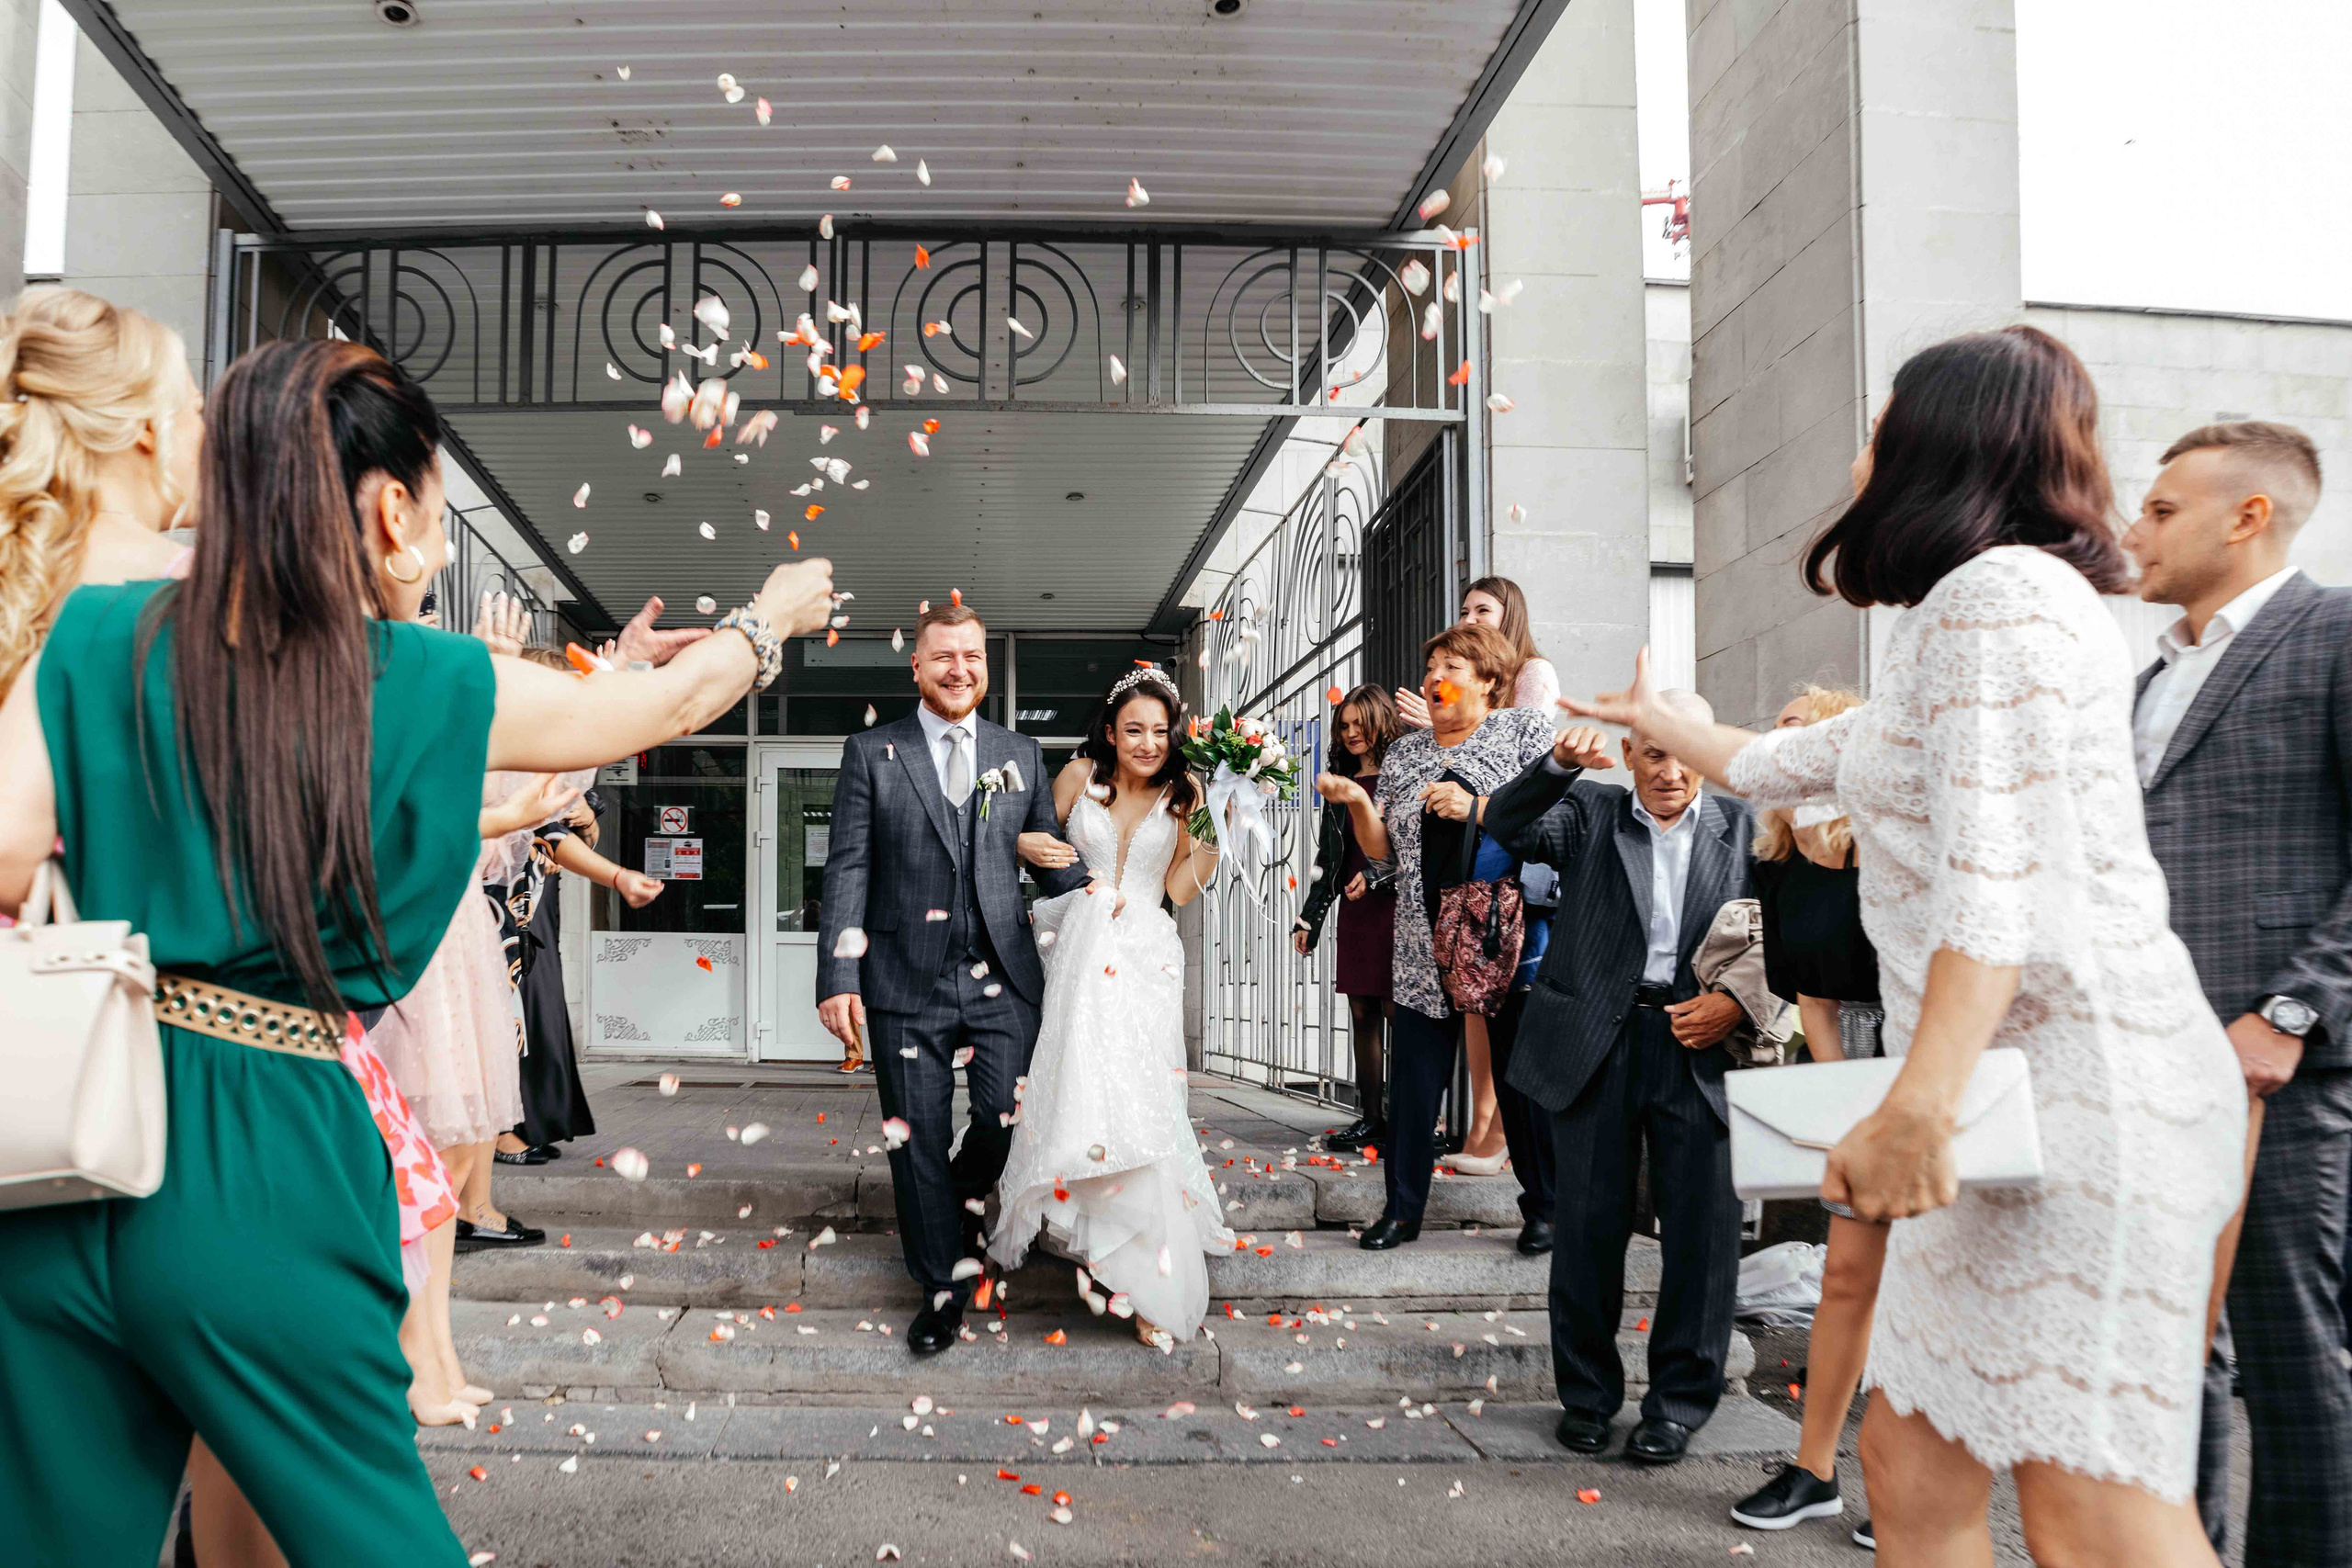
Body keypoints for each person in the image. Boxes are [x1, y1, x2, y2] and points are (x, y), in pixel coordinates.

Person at [0, 334, 836, 1567]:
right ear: (388, 508)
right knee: (366, 1527)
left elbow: (9, 851)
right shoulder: (419, 677)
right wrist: (769, 619)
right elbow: (648, 712)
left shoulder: (93, 632)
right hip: (265, 1146)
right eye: (438, 512)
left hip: (60, 1149)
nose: (438, 545)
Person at [1566, 325, 2246, 1564]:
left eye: (1885, 421)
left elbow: (1998, 887)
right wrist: (1664, 720)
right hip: (1995, 1101)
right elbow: (1784, 762)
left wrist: (1916, 1111)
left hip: (2077, 1105)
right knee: (1912, 1462)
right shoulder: (1963, 610)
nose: (1865, 444)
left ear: (1946, 440)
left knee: (2092, 1513)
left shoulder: (2002, 602)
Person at [2123, 419, 2351, 1567]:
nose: (2134, 530)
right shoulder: (2146, 676)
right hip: (2150, 1067)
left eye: (2161, 510)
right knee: (2171, 1357)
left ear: (2246, 515)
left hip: (2279, 1070)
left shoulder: (2337, 633)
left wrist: (2294, 1014)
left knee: (2295, 1351)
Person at [1479, 693, 1756, 1463]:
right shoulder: (1593, 811)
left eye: (1683, 751)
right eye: (1653, 751)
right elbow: (1505, 826)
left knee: (1702, 1236)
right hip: (1598, 1039)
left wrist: (1736, 1002)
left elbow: (1782, 929)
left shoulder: (1745, 831)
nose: (1669, 769)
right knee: (1588, 1229)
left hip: (1699, 1041)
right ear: (1629, 754)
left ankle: (1676, 1404)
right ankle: (1589, 1398)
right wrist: (1559, 764)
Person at [814, 600, 1093, 1355]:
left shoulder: (1020, 751)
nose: (959, 668)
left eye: (971, 655)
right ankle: (940, 1285)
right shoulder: (873, 752)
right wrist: (838, 973)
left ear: (984, 664)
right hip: (905, 979)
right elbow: (848, 868)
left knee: (1004, 1115)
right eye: (943, 656)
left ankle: (955, 1205)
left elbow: (1053, 859)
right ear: (918, 665)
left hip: (1005, 973)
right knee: (917, 1136)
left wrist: (1111, 902)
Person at [991, 667, 1231, 1344]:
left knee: (1142, 1102)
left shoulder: (1188, 793)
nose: (1149, 742)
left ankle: (1150, 1273)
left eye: (1160, 730)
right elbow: (1038, 854)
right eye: (1135, 729)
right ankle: (1099, 1237)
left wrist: (1213, 836)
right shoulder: (1074, 781)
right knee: (1083, 1092)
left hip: (1148, 957)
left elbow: (1182, 889)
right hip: (1079, 953)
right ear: (1109, 731)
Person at [1314, 623, 1557, 1254]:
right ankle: (1402, 1210)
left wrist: (1477, 805)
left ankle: (1545, 1209)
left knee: (1517, 1078)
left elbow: (1553, 817)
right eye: (1430, 669)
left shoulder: (1521, 732)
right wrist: (1356, 804)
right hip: (1420, 938)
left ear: (1489, 681)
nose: (1433, 679)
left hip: (1498, 938)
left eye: (1451, 666)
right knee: (1416, 1081)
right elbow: (1383, 852)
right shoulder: (1404, 754)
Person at [1731, 685, 1887, 1544]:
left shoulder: (1888, 838)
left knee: (1923, 1287)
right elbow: (1814, 1000)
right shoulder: (1776, 863)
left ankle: (1903, 1481)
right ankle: (1815, 1469)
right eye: (1775, 733)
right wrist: (1843, 1108)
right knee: (1846, 1279)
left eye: (1798, 730)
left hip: (1928, 1057)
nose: (1779, 744)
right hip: (1845, 1069)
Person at [1393, 576, 1560, 1166]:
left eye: (1483, 610)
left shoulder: (1529, 683)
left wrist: (1447, 727)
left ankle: (1499, 1140)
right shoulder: (1412, 750)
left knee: (1504, 1019)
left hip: (1503, 897)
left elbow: (1527, 781)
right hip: (1438, 901)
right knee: (1465, 1016)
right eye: (1465, 610)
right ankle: (1481, 1133)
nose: (1472, 617)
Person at [1294, 684, 1402, 1153]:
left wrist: (1377, 877)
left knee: (1402, 1015)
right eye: (1345, 725)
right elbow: (1330, 857)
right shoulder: (1340, 782)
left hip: (1399, 910)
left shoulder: (1405, 773)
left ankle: (1413, 1121)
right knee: (1361, 1012)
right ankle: (1371, 1118)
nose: (1352, 732)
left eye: (1361, 723)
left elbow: (1417, 850)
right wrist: (1309, 919)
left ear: (1381, 720)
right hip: (1357, 913)